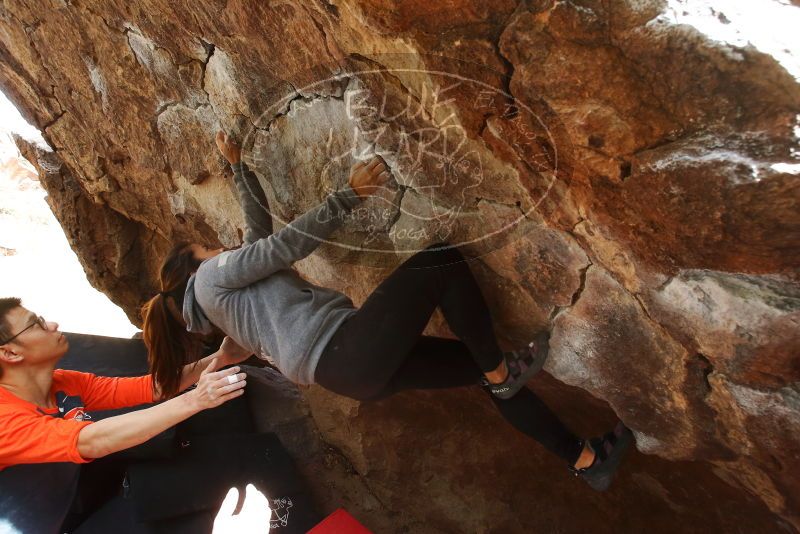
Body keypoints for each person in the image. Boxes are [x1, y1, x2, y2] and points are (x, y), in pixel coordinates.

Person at [141, 131, 634, 491]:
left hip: (352, 373)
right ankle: (502, 371)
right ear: (192, 268)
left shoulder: (227, 312)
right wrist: (347, 196)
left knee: (482, 371)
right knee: (440, 261)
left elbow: (257, 234)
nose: (217, 248)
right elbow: (281, 248)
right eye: (206, 246)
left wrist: (238, 169)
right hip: (344, 348)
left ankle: (587, 460)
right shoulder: (210, 278)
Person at [0, 297, 251, 471]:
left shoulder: (63, 382)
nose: (52, 325)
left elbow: (152, 388)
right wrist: (195, 400)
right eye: (37, 324)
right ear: (10, 354)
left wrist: (221, 357)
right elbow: (92, 441)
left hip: (60, 494)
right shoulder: (4, 421)